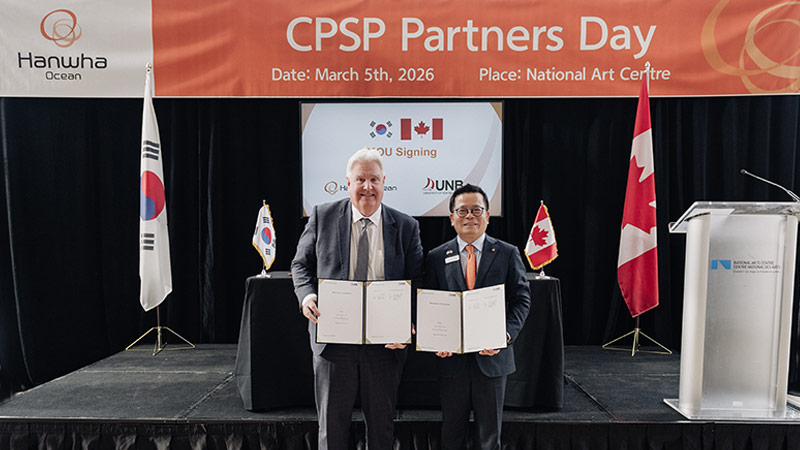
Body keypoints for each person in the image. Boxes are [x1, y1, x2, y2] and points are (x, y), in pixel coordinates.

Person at [291, 148, 424, 450]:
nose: (367, 187)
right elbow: (300, 265)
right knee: (332, 428)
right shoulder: (323, 216)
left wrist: (408, 321)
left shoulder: (405, 226)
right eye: (360, 179)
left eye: (374, 179)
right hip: (334, 342)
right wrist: (307, 296)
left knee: (381, 428)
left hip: (384, 344)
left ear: (384, 182)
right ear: (347, 183)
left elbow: (418, 280)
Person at [423, 183, 531, 450]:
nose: (469, 216)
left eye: (476, 210)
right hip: (452, 363)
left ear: (487, 214)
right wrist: (435, 340)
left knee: (489, 436)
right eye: (462, 211)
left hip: (492, 360)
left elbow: (522, 300)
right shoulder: (436, 257)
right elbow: (428, 304)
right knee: (451, 433)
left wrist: (505, 335)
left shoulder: (507, 253)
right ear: (451, 218)